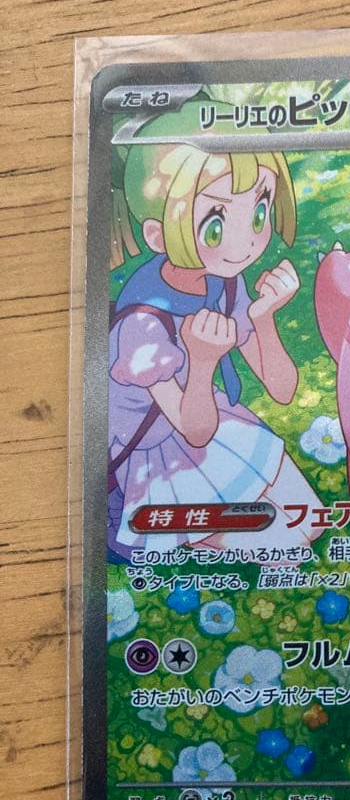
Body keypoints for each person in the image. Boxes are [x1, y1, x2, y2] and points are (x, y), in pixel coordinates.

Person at [107, 100, 320, 559]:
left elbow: (282, 389)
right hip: (159, 452)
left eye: (258, 213)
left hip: (215, 418)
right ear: (157, 236)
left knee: (312, 523)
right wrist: (202, 363)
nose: (246, 243)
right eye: (217, 225)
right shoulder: (143, 323)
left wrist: (263, 319)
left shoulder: (225, 281)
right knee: (287, 547)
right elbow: (193, 431)